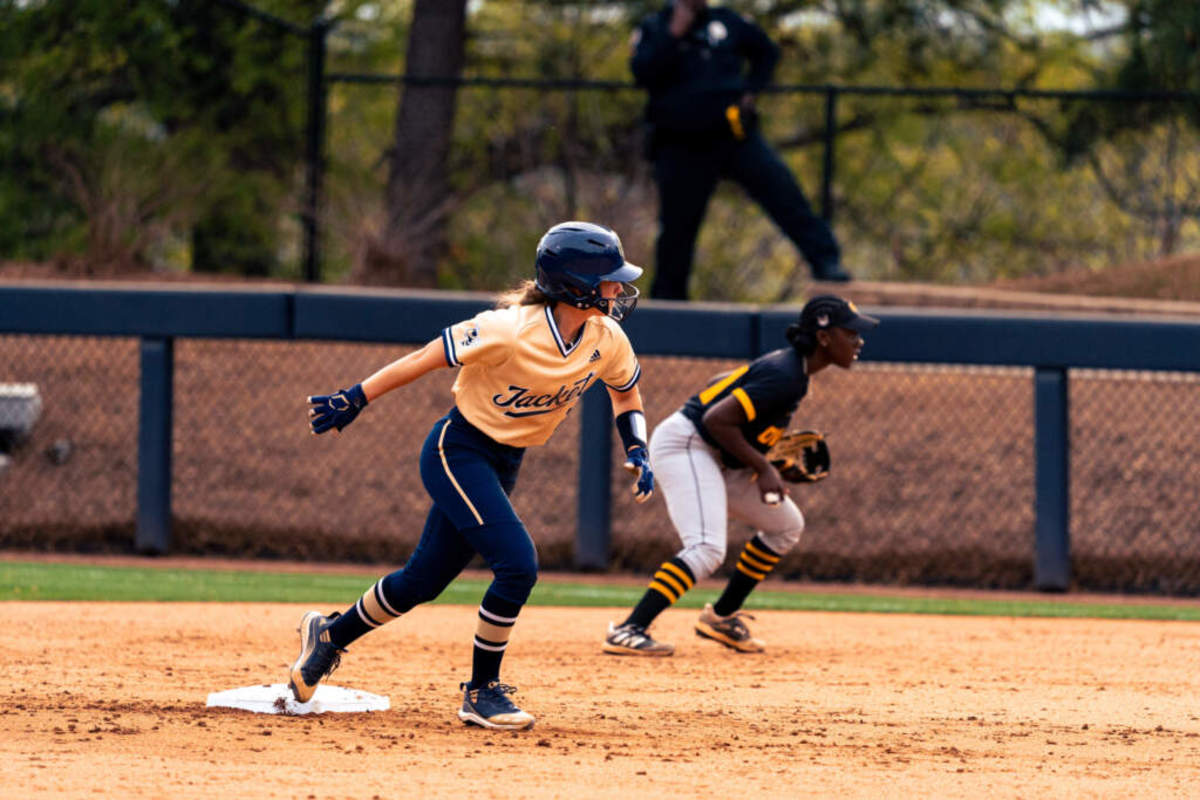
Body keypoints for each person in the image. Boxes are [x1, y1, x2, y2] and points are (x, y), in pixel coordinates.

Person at [290, 221, 655, 730]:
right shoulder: (509, 328)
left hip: (507, 460)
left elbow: (626, 394)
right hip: (458, 450)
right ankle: (481, 691)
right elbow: (425, 358)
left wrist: (636, 446)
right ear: (574, 284)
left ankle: (330, 635)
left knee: (422, 581)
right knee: (518, 564)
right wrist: (356, 396)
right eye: (609, 278)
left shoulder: (606, 337)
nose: (618, 288)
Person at [603, 294, 877, 655]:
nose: (859, 340)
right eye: (850, 333)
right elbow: (716, 419)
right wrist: (762, 467)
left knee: (785, 525)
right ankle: (629, 628)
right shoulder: (787, 374)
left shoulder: (794, 372)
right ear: (824, 337)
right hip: (689, 445)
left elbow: (722, 384)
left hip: (715, 453)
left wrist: (764, 462)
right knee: (706, 547)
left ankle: (721, 616)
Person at [631, 0, 852, 301]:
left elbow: (767, 53)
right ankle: (670, 300)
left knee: (783, 192)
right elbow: (643, 73)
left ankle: (826, 261)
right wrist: (675, 32)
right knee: (677, 229)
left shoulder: (727, 21)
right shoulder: (654, 27)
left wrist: (751, 89)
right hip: (680, 143)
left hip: (733, 133)